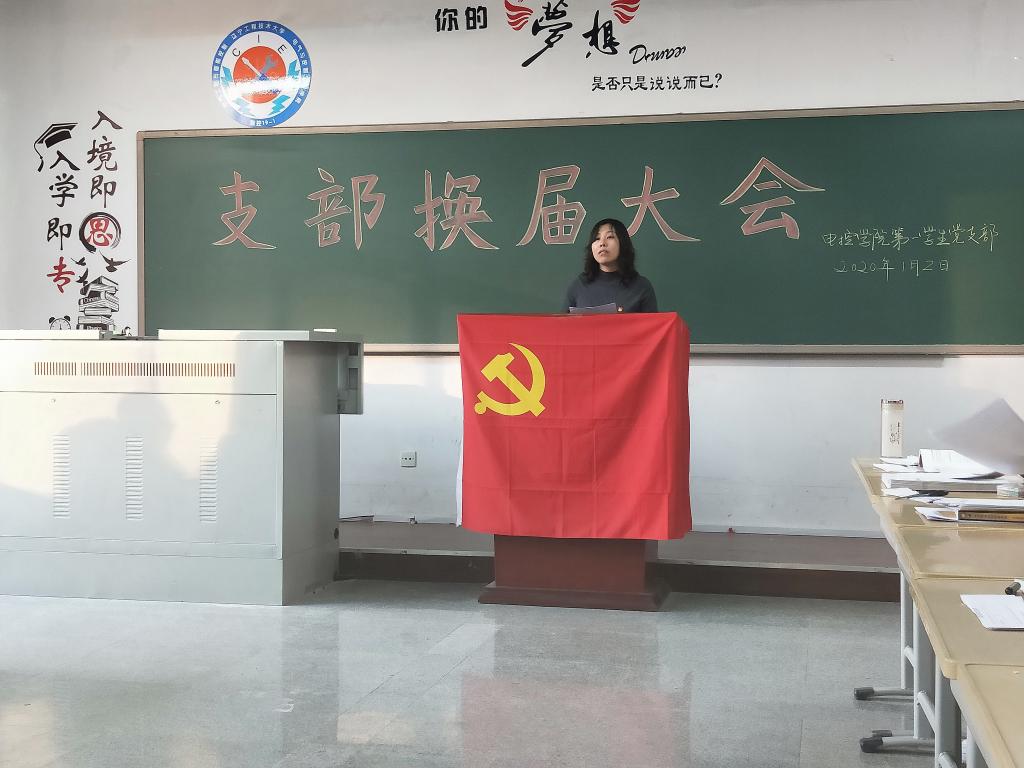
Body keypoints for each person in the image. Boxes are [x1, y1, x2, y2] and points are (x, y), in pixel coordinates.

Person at [561, 218, 658, 313]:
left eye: (610, 237)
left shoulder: (641, 286)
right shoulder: (579, 285)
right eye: (597, 238)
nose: (602, 243)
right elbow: (562, 322)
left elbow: (653, 323)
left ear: (623, 243)